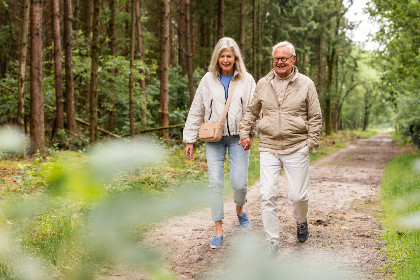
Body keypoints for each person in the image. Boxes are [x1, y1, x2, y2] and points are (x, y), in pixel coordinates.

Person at [239, 41, 322, 256]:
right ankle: (272, 241)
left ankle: (301, 221)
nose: (280, 62)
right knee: (267, 194)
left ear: (294, 59)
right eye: (276, 58)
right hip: (269, 146)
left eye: (284, 58)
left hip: (297, 147)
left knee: (298, 197)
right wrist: (245, 133)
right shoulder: (263, 83)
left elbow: (315, 116)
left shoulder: (306, 84)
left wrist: (310, 143)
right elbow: (251, 111)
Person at [183, 37, 256, 249]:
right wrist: (189, 139)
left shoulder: (247, 80)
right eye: (222, 56)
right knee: (215, 183)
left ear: (235, 59)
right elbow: (197, 109)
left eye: (229, 56)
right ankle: (218, 229)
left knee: (240, 183)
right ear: (217, 58)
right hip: (212, 138)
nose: (226, 60)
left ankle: (240, 209)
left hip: (238, 137)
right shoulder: (207, 79)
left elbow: (253, 109)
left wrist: (250, 133)